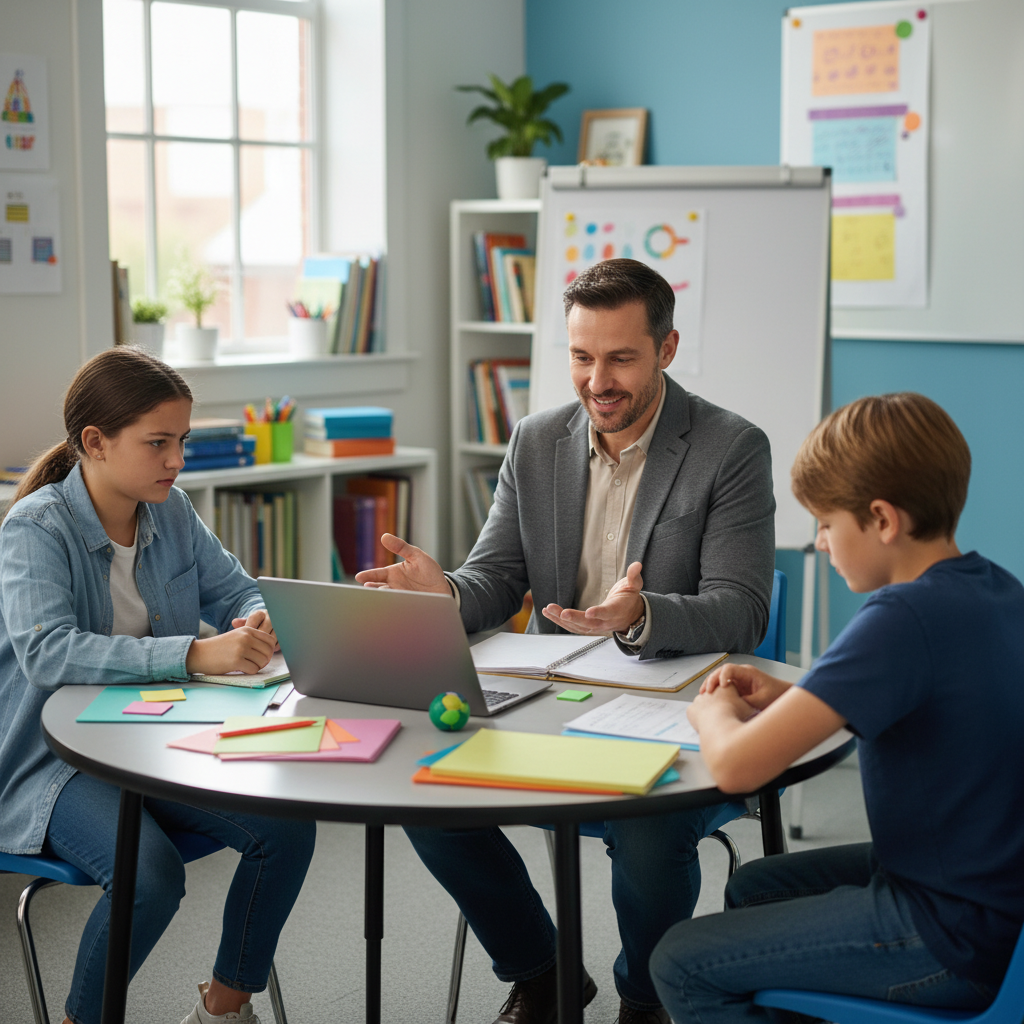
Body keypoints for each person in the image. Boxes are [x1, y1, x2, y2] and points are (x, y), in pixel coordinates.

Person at [356, 259, 776, 1023]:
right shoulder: (536, 440)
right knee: (418, 791)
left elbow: (741, 608)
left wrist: (641, 613)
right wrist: (444, 591)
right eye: (582, 357)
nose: (597, 381)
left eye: (620, 357)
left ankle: (645, 1000)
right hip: (548, 699)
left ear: (667, 349)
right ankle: (542, 973)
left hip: (674, 706)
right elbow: (497, 577)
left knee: (646, 835)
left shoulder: (731, 447)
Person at [649, 392, 1024, 1022]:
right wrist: (794, 698)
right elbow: (927, 703)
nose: (820, 543)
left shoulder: (899, 618)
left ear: (881, 519)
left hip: (945, 931)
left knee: (680, 962)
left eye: (826, 523)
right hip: (988, 898)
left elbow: (738, 770)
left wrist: (708, 711)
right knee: (754, 889)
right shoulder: (992, 588)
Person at [0, 347, 317, 1024]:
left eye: (182, 441)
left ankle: (223, 1010)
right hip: (58, 762)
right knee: (149, 878)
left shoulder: (170, 512)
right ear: (95, 442)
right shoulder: (36, 528)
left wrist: (259, 618)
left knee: (285, 827)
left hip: (158, 741)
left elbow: (238, 590)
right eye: (158, 443)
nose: (177, 460)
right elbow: (47, 654)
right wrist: (198, 654)